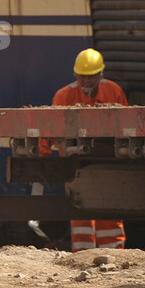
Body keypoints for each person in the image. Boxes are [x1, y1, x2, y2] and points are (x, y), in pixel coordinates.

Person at [52, 48, 128, 252]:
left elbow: (126, 129)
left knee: (110, 210)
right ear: (75, 75)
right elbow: (51, 133)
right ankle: (83, 256)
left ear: (100, 74)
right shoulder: (63, 96)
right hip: (75, 166)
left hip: (109, 164)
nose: (85, 81)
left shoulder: (114, 92)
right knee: (80, 213)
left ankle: (113, 254)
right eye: (82, 77)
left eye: (90, 77)